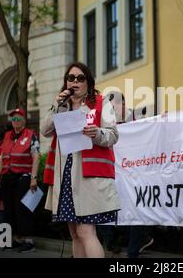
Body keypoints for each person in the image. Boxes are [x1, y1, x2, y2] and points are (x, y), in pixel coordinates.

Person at [42, 62, 120, 258]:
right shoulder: (62, 106)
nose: (75, 82)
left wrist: (97, 133)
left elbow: (113, 135)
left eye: (80, 78)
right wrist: (56, 105)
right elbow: (45, 131)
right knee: (75, 234)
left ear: (88, 82)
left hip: (88, 176)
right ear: (66, 82)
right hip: (65, 175)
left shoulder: (101, 103)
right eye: (71, 78)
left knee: (86, 232)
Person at [106, 91, 155, 258]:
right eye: (109, 107)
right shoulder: (108, 123)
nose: (111, 110)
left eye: (114, 107)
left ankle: (133, 251)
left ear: (124, 105)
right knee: (107, 213)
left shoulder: (137, 119)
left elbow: (152, 131)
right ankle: (113, 244)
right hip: (115, 174)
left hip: (136, 175)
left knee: (135, 211)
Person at [0, 108, 40, 253]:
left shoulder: (31, 135)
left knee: (22, 209)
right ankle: (11, 240)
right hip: (7, 177)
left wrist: (34, 178)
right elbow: (2, 159)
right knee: (8, 210)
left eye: (19, 118)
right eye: (13, 119)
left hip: (23, 177)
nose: (16, 121)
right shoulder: (7, 136)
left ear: (24, 120)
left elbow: (36, 157)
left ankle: (27, 241)